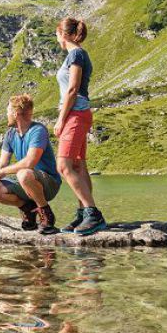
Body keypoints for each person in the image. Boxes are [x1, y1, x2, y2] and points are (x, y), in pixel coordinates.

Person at [0, 94, 62, 234]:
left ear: (15, 114)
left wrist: (2, 173)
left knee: (24, 173)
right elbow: (2, 164)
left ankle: (46, 214)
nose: (6, 114)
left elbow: (30, 162)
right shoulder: (10, 134)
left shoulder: (38, 130)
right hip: (26, 182)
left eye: (8, 111)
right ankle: (29, 209)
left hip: (49, 183)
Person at [53, 17, 107, 235]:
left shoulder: (75, 54)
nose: (56, 39)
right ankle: (83, 212)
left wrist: (60, 119)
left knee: (63, 165)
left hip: (75, 114)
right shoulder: (77, 54)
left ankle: (93, 213)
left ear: (63, 34)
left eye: (56, 34)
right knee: (78, 165)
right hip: (79, 114)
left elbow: (73, 89)